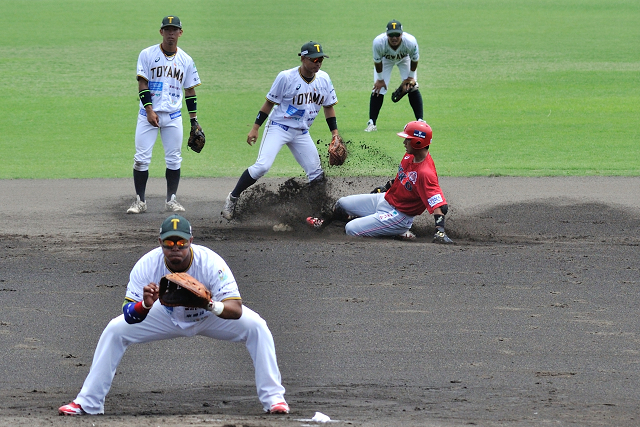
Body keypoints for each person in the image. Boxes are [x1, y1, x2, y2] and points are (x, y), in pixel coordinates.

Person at [58, 214, 289, 416]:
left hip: (208, 315)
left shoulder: (210, 262)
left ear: (190, 241)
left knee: (257, 327)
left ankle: (274, 400)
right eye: (169, 243)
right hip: (165, 315)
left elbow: (236, 309)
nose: (175, 248)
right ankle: (88, 403)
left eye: (180, 242)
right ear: (160, 243)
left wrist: (209, 305)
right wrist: (146, 306)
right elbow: (128, 314)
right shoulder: (147, 265)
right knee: (115, 330)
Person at [221, 41, 339, 220]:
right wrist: (255, 128)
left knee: (317, 174)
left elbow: (328, 107)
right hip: (279, 127)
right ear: (303, 58)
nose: (318, 63)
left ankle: (317, 212)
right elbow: (269, 103)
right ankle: (233, 197)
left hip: (301, 132)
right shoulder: (286, 77)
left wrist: (335, 134)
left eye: (321, 59)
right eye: (314, 60)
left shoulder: (324, 79)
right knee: (262, 166)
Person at [307, 121, 453, 244]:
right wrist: (386, 187)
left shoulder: (425, 173)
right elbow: (402, 178)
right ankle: (330, 222)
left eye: (407, 139)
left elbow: (440, 205)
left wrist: (440, 231)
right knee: (342, 204)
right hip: (385, 199)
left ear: (418, 141)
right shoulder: (410, 156)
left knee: (351, 229)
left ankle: (397, 231)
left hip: (399, 216)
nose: (404, 142)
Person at [127, 16, 202, 214]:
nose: (171, 33)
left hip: (174, 116)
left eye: (174, 30)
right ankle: (139, 201)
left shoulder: (186, 60)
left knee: (174, 159)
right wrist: (150, 110)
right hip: (147, 114)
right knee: (141, 159)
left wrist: (194, 121)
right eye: (167, 30)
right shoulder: (147, 54)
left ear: (180, 33)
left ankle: (172, 200)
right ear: (161, 32)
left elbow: (190, 91)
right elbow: (142, 84)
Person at [364, 20, 423, 132]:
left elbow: (414, 59)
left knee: (412, 87)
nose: (394, 38)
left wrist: (410, 78)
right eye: (391, 35)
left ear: (402, 34)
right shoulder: (378, 42)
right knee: (378, 88)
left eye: (397, 34)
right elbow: (377, 61)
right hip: (385, 60)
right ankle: (372, 123)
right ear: (387, 35)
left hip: (404, 58)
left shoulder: (410, 41)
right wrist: (380, 79)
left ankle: (420, 121)